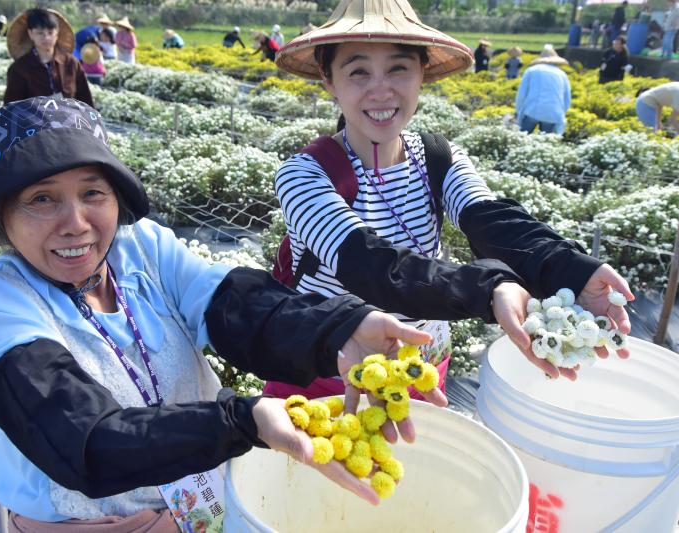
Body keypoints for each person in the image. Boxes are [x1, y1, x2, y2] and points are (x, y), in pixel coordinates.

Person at [0, 95, 446, 527]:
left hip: (201, 503)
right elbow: (84, 438)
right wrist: (240, 422)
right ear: (1, 216)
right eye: (41, 199)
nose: (75, 223)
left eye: (92, 193)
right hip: (88, 527)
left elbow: (236, 306)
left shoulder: (139, 248)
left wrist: (336, 328)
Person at [268, 0, 634, 401]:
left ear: (422, 72)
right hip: (330, 369)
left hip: (421, 364)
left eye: (399, 68)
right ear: (328, 79)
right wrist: (490, 290)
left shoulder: (439, 158)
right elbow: (368, 265)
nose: (381, 89)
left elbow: (489, 219)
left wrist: (571, 269)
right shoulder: (305, 174)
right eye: (358, 72)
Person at [3, 8, 93, 108]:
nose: (46, 38)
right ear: (30, 34)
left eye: (50, 33)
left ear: (57, 34)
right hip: (34, 123)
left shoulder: (71, 64)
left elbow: (86, 102)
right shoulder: (19, 69)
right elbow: (11, 109)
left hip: (71, 122)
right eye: (40, 33)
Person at [515, 45, 571, 135]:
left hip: (532, 109)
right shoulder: (562, 74)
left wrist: (518, 112)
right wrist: (561, 113)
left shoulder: (531, 71)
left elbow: (522, 94)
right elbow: (567, 99)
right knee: (544, 140)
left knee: (523, 137)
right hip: (553, 112)